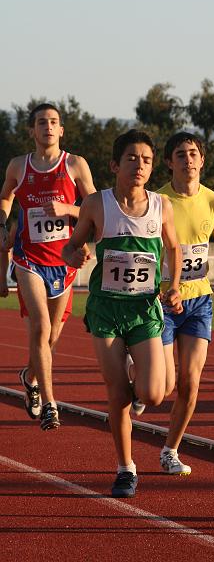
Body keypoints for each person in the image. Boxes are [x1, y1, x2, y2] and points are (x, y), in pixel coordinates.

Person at [62, 129, 183, 498]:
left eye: (146, 160)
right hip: (107, 311)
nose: (139, 165)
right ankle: (126, 468)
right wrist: (77, 254)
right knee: (118, 395)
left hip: (144, 309)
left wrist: (173, 285)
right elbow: (71, 247)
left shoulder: (162, 206)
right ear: (115, 164)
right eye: (132, 158)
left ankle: (135, 372)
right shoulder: (98, 204)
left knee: (155, 393)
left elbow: (174, 248)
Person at [0, 103, 96, 430]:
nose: (48, 127)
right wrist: (2, 221)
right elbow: (5, 197)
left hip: (65, 262)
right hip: (28, 259)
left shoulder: (75, 165)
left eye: (54, 122)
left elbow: (95, 208)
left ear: (62, 129)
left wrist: (67, 208)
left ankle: (29, 375)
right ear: (32, 130)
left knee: (52, 336)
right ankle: (51, 404)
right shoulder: (18, 165)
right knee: (40, 327)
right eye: (42, 122)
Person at [157, 131, 214, 475]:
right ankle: (138, 375)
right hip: (160, 301)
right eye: (181, 154)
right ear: (169, 162)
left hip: (199, 299)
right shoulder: (157, 200)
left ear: (202, 161)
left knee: (191, 382)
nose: (188, 160)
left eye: (193, 154)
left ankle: (170, 450)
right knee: (163, 387)